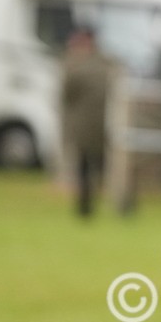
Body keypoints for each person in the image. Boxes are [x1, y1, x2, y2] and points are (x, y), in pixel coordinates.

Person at [60, 26, 115, 218]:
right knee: (98, 168)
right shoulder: (107, 63)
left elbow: (66, 92)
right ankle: (95, 205)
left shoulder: (79, 65)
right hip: (101, 126)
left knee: (87, 168)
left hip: (89, 126)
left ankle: (86, 207)